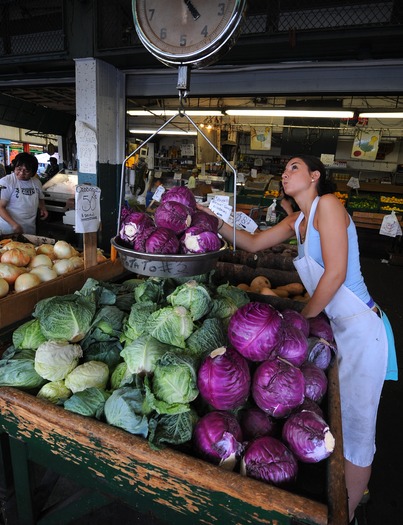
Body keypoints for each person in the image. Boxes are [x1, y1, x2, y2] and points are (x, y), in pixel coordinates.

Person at [200, 154, 397, 525]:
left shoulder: (330, 206)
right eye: (284, 169)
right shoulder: (299, 220)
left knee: (356, 436)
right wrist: (212, 221)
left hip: (360, 330)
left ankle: (347, 514)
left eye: (294, 168)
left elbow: (336, 273)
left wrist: (299, 319)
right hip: (336, 328)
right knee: (339, 426)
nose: (285, 174)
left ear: (315, 176)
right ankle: (348, 500)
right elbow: (253, 243)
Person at [0, 152, 49, 235]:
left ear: (33, 171)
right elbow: (1, 207)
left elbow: (40, 197)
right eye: (19, 169)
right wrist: (14, 225)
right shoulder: (7, 182)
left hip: (29, 228)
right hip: (9, 229)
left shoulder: (36, 182)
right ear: (14, 167)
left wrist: (43, 208)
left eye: (26, 171)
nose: (22, 173)